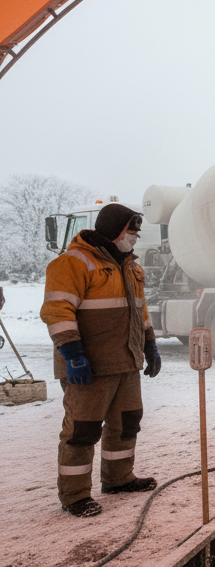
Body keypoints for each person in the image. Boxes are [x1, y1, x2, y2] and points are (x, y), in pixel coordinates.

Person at [40, 203, 160, 517]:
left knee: (126, 424)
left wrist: (150, 346)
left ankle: (119, 479)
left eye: (135, 233)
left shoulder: (132, 267)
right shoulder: (73, 263)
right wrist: (73, 356)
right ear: (114, 231)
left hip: (126, 362)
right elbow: (57, 312)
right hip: (89, 367)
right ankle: (75, 495)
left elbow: (140, 311)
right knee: (82, 430)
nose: (135, 238)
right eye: (130, 232)